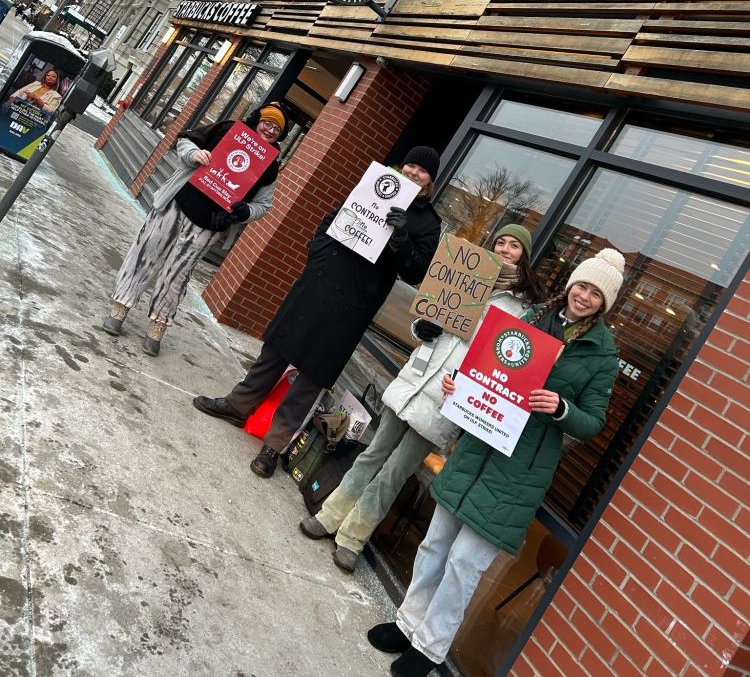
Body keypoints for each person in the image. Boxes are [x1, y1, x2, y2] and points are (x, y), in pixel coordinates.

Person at [367, 247, 625, 677]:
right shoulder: (532, 318)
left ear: (605, 304)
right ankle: (407, 623)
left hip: (520, 470)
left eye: (596, 294)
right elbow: (488, 364)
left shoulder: (601, 355)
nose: (584, 296)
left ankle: (429, 648)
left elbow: (593, 421)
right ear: (571, 284)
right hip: (477, 448)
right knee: (435, 545)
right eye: (582, 285)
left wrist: (561, 407)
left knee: (465, 563)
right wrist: (460, 385)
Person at [299, 224, 545, 573]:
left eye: (514, 246)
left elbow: (502, 361)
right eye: (500, 242)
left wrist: (471, 387)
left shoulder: (523, 308)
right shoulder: (464, 275)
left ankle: (353, 538)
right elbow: (427, 320)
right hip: (415, 380)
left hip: (447, 398)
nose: (505, 249)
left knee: (395, 472)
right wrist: (423, 328)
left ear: (525, 255)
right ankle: (328, 516)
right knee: (372, 455)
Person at [193, 147, 443, 480]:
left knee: (314, 373)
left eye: (422, 170)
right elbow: (333, 219)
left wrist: (401, 237)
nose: (413, 172)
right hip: (321, 280)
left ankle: (275, 443)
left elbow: (417, 271)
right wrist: (318, 253)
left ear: (430, 180)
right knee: (277, 348)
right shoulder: (374, 185)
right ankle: (238, 404)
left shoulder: (428, 222)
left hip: (355, 301)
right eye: (410, 164)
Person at [101, 101, 289, 356]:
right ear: (258, 119)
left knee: (177, 275)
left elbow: (264, 205)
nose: (270, 130)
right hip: (178, 203)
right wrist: (194, 155)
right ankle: (120, 308)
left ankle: (157, 327)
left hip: (209, 223)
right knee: (146, 253)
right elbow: (186, 140)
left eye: (277, 129)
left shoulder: (270, 166)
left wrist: (247, 211)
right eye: (268, 123)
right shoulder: (228, 130)